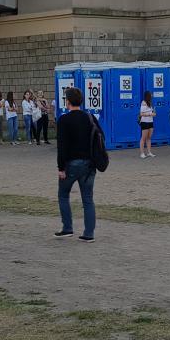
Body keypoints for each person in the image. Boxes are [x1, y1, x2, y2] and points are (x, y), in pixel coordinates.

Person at [55, 87, 97, 243]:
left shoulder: (64, 120)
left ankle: (67, 228)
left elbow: (62, 147)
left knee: (63, 194)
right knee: (88, 199)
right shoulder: (90, 117)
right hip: (89, 164)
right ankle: (89, 233)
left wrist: (61, 168)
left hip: (71, 164)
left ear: (67, 101)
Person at [139, 90, 156, 159]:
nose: (152, 95)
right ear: (148, 95)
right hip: (145, 122)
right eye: (151, 94)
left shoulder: (150, 103)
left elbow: (151, 111)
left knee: (149, 138)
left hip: (150, 122)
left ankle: (149, 152)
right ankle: (142, 153)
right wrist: (150, 114)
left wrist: (153, 113)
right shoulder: (143, 103)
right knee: (143, 138)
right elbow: (141, 114)